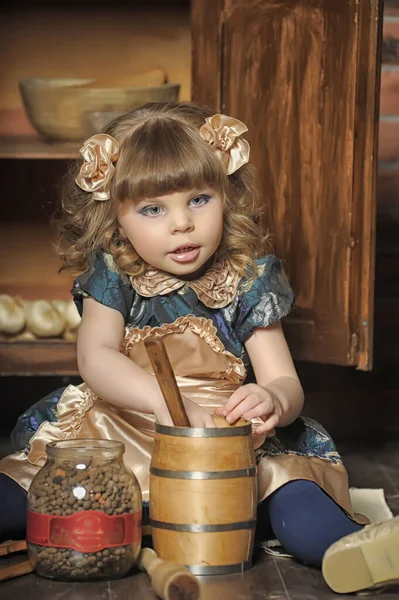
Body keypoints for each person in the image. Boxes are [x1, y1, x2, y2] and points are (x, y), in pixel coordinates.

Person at [0, 101, 396, 593]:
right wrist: (165, 401)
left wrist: (272, 400)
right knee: (26, 494)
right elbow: (95, 357)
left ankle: (357, 549)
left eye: (199, 200)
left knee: (299, 509)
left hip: (227, 441)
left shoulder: (247, 277)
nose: (181, 224)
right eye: (152, 209)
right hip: (127, 424)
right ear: (116, 219)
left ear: (225, 196)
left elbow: (285, 381)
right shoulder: (116, 274)